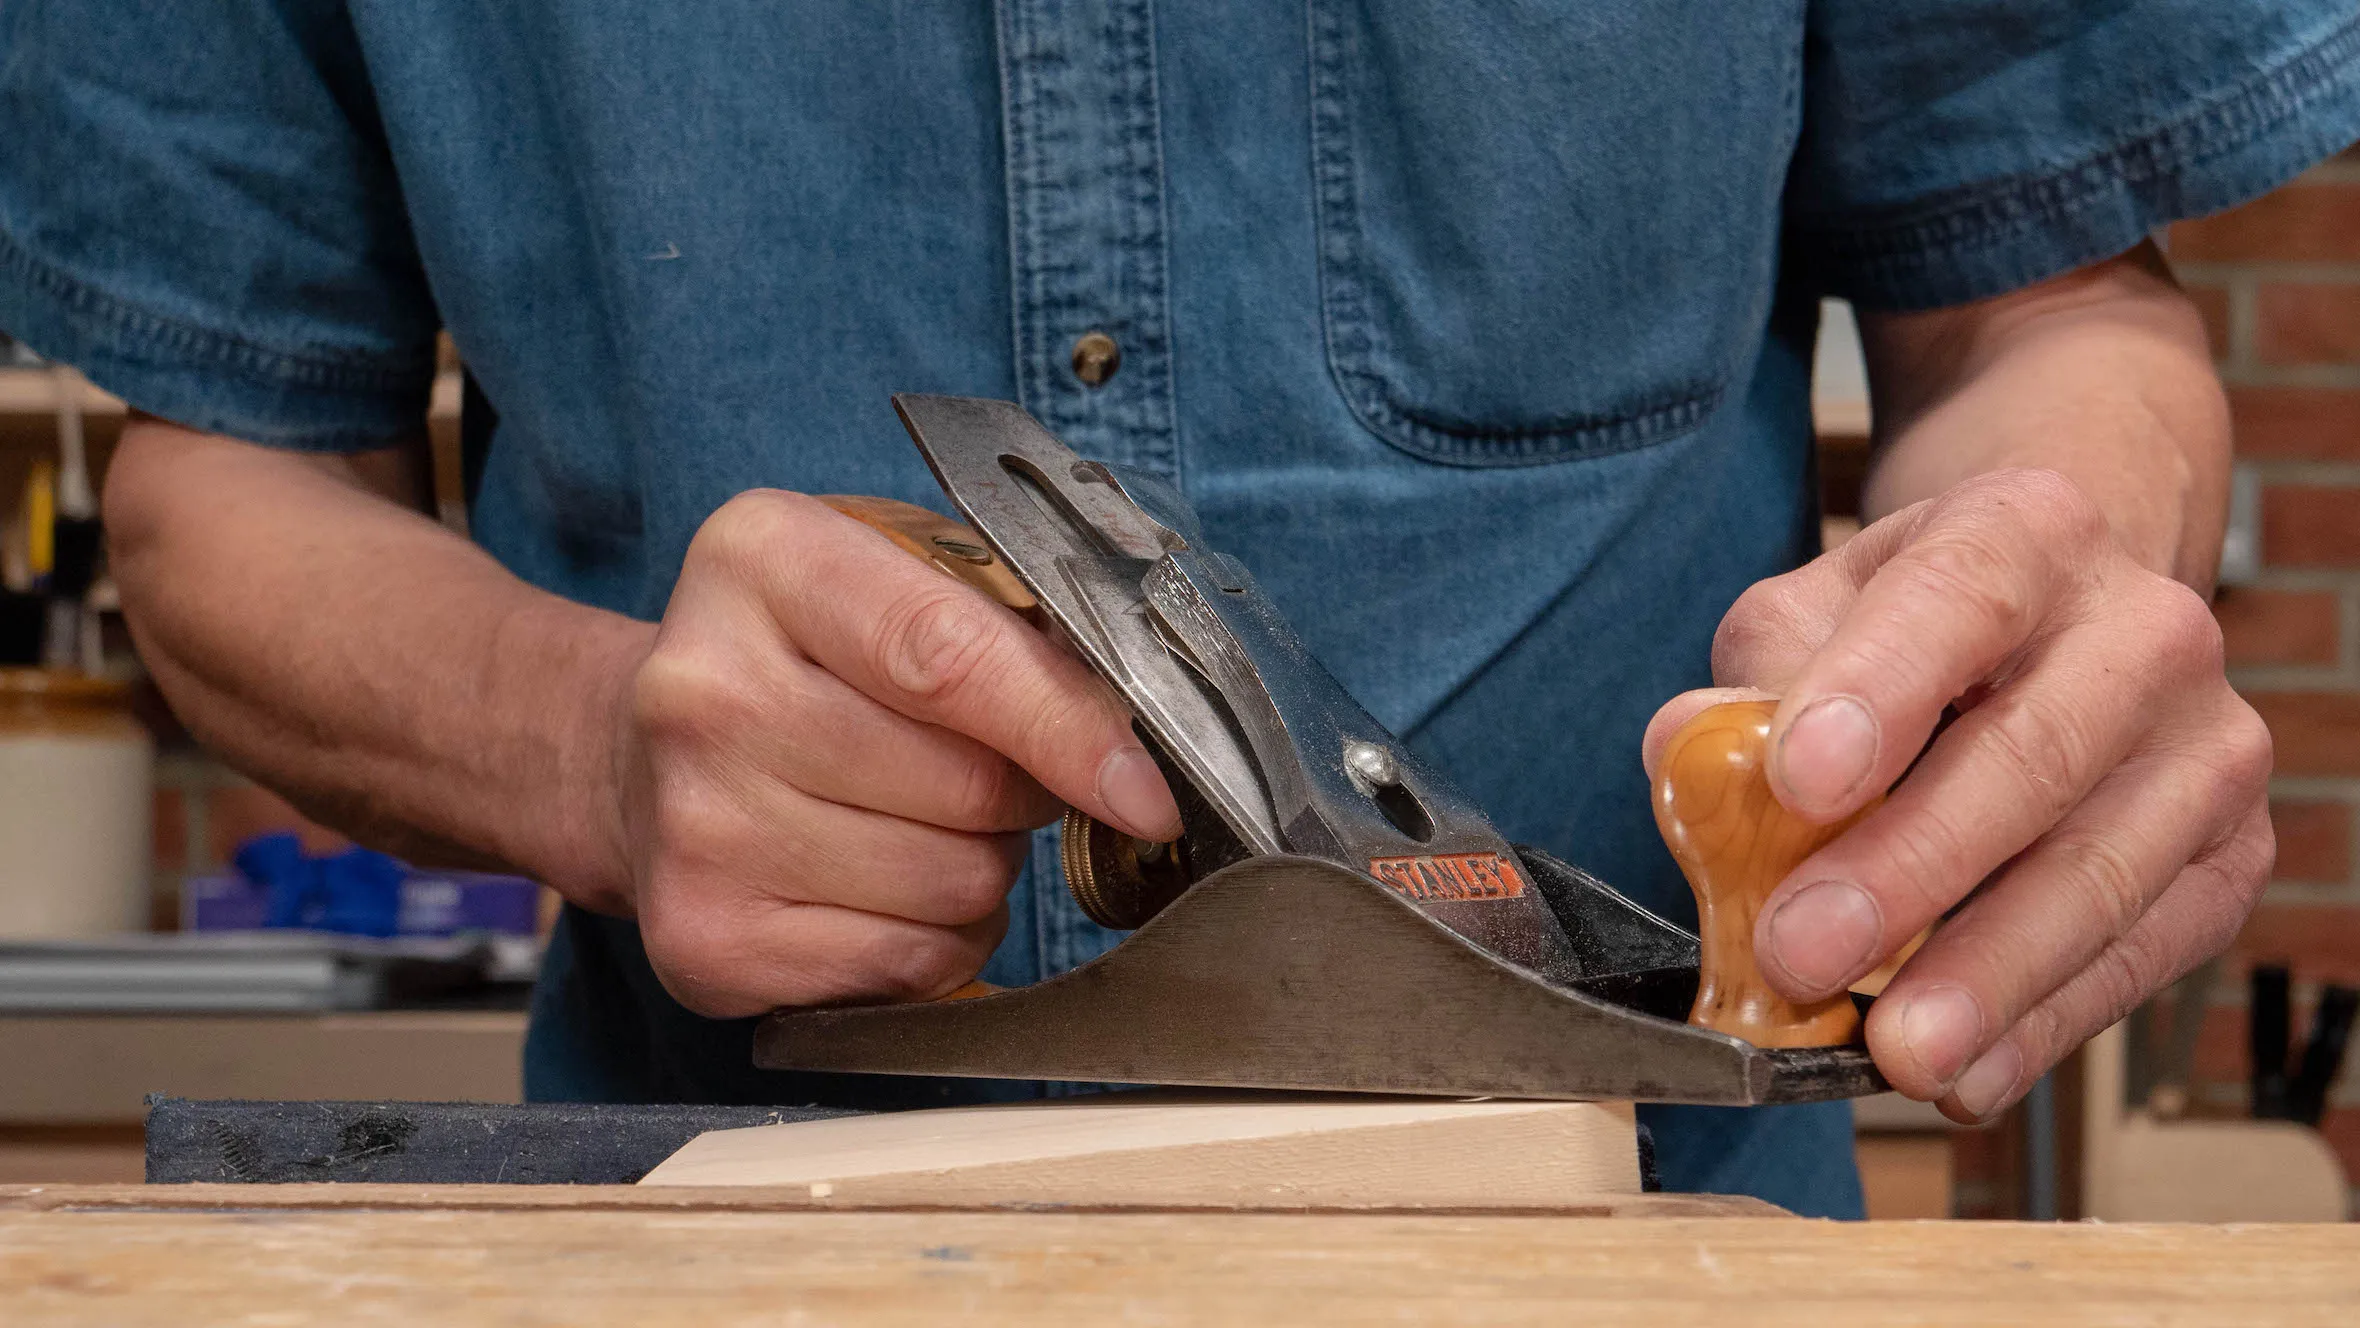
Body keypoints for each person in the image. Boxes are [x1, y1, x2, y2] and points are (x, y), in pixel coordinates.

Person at [4, 3, 2353, 1218]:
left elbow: (2046, 311)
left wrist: (2027, 574)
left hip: (1648, 1231)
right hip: (732, 1218)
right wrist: (586, 741)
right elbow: (218, 478)